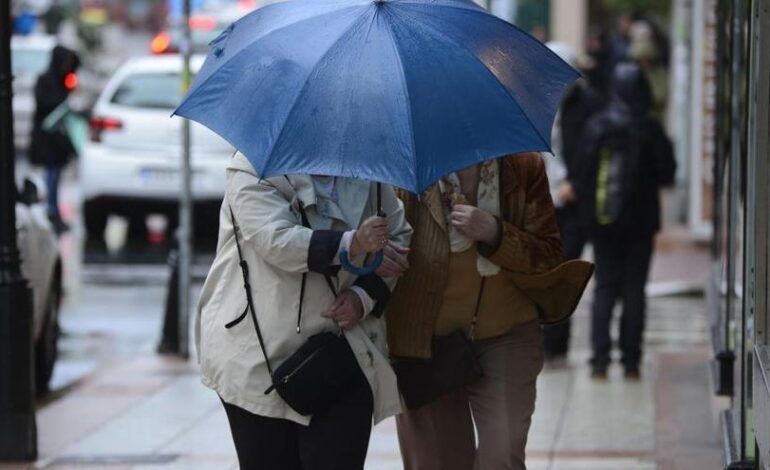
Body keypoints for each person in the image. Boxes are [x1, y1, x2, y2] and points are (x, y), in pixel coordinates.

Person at [195, 152, 412, 470]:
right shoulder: (252, 165)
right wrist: (354, 243)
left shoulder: (367, 168)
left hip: (342, 351)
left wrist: (363, 296)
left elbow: (399, 236)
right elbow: (277, 241)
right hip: (258, 357)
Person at [386, 153, 564, 470]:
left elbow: (548, 256)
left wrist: (495, 232)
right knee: (437, 462)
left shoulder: (523, 166)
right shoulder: (404, 168)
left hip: (507, 333)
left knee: (502, 455)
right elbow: (382, 243)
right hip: (424, 342)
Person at [574, 63, 676, 380]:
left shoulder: (597, 126)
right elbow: (667, 173)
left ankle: (599, 361)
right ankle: (631, 362)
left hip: (603, 221)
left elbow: (581, 174)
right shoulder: (649, 128)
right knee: (635, 289)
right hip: (641, 222)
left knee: (604, 286)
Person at [541, 42, 606, 363]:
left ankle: (556, 341)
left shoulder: (588, 105)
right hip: (544, 199)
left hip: (573, 202)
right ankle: (549, 339)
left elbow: (592, 154)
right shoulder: (535, 101)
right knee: (546, 271)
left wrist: (575, 186)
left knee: (565, 271)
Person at [28, 45, 80, 234]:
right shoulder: (45, 81)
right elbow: (44, 104)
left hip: (58, 142)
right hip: (46, 141)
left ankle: (53, 210)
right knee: (50, 176)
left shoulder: (63, 81)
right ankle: (49, 211)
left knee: (56, 176)